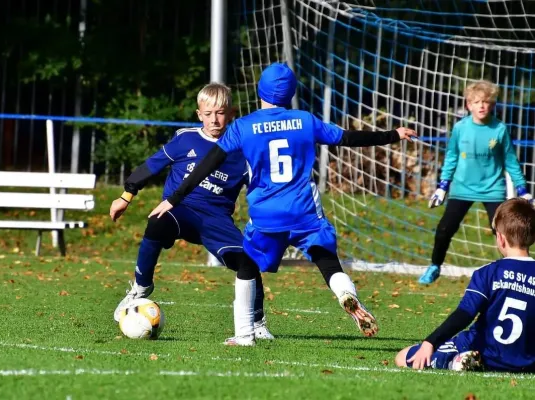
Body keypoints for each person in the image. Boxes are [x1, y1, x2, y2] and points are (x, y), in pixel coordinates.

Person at [148, 63, 417, 346]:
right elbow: (349, 138)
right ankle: (345, 295)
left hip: (267, 212)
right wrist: (393, 134)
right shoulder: (305, 120)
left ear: (260, 90)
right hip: (304, 210)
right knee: (327, 260)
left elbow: (206, 165)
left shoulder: (243, 126)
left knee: (247, 266)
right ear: (290, 94)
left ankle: (244, 335)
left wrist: (173, 199)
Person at [109, 83, 274, 340]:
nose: (214, 119)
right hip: (179, 210)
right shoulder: (185, 138)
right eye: (208, 114)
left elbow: (260, 191)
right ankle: (141, 288)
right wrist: (126, 195)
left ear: (231, 114)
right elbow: (152, 165)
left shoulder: (244, 153)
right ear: (199, 114)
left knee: (247, 261)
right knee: (156, 222)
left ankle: (257, 323)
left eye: (220, 113)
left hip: (215, 220)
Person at [397, 198, 535, 372]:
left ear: (500, 238)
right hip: (526, 360)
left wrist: (430, 342)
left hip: (484, 353)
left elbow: (465, 313)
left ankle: (453, 362)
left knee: (402, 357)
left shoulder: (489, 272)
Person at [420, 80, 533, 284]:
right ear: (468, 105)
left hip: (492, 189)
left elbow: (510, 160)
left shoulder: (499, 129)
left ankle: (514, 272)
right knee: (445, 228)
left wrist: (522, 188)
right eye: (477, 101)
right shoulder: (460, 128)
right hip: (462, 188)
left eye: (486, 101)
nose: (481, 105)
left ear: (492, 104)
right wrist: (442, 186)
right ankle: (435, 266)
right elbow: (451, 157)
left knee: (505, 231)